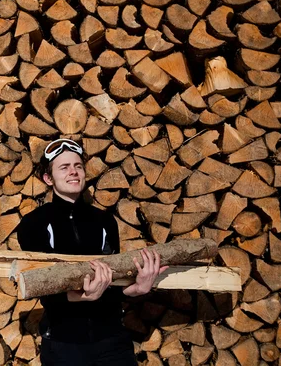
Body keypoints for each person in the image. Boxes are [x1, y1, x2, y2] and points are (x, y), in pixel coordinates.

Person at [15, 138, 168, 366]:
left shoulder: (104, 221)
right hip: (64, 345)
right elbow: (43, 287)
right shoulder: (33, 224)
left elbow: (111, 282)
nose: (74, 172)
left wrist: (136, 289)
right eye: (64, 167)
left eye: (78, 166)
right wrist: (81, 297)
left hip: (112, 341)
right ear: (48, 178)